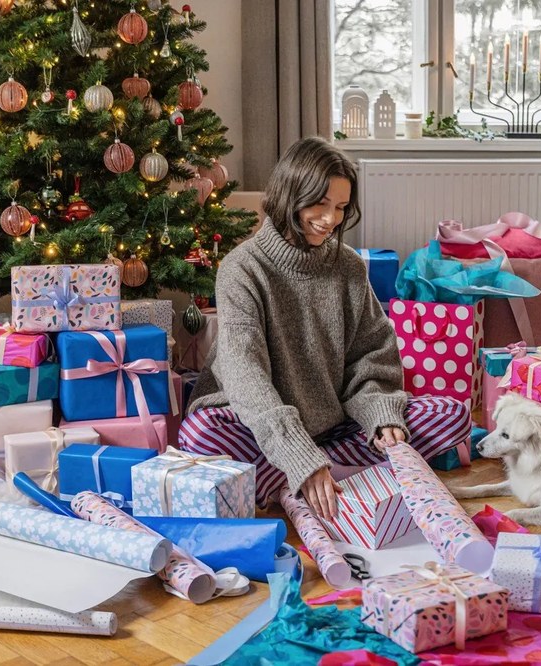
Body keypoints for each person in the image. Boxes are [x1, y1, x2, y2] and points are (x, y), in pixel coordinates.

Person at [180, 137, 470, 521]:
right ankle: (327, 473)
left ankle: (292, 480)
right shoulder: (242, 269)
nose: (331, 219)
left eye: (341, 207)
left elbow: (372, 352)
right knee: (199, 434)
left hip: (337, 425)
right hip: (261, 425)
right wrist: (295, 451)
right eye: (320, 204)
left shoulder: (347, 264)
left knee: (453, 413)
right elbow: (244, 374)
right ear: (289, 194)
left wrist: (381, 415)